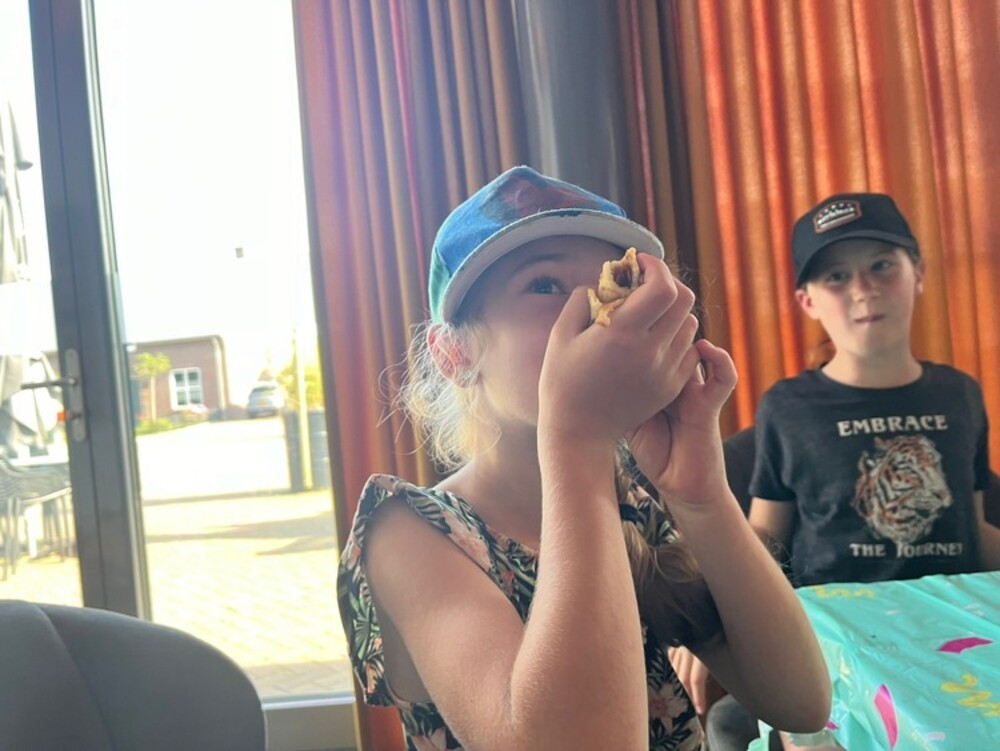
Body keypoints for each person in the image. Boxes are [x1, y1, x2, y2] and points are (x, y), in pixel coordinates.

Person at [337, 166, 830, 750]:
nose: (598, 310)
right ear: (454, 354)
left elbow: (801, 701)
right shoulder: (410, 531)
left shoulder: (633, 503)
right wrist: (578, 439)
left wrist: (701, 496)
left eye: (616, 283)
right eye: (544, 284)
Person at [702, 192, 1000, 751]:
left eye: (882, 265)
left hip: (952, 631)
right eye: (836, 276)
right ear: (807, 300)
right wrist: (713, 623)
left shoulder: (960, 394)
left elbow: (974, 525)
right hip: (834, 639)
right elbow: (765, 537)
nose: (863, 288)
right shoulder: (788, 407)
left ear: (918, 274)